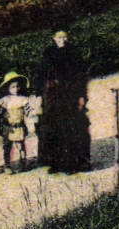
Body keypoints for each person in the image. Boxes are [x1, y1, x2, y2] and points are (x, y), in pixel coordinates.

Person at [37, 30, 91, 174]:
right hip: (53, 97)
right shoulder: (48, 53)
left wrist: (81, 96)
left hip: (70, 96)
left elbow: (81, 76)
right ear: (53, 38)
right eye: (58, 37)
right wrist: (39, 96)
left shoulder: (74, 53)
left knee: (73, 127)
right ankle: (55, 163)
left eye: (64, 36)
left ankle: (74, 163)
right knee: (53, 129)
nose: (61, 39)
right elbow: (42, 75)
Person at [0, 71, 36, 174]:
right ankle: (7, 165)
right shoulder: (4, 100)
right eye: (12, 87)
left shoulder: (23, 99)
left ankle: (23, 162)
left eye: (17, 87)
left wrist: (31, 115)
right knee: (7, 146)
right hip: (8, 127)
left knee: (20, 145)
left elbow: (29, 111)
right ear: (8, 88)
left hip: (19, 126)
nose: (15, 89)